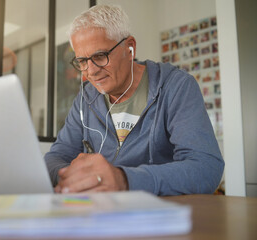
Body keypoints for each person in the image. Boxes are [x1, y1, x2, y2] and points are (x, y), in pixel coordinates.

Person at [44, 4, 224, 196]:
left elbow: (206, 167)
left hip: (162, 215)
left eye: (100, 56)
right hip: (102, 214)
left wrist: (124, 180)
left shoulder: (176, 86)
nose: (91, 71)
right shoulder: (85, 97)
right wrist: (71, 176)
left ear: (130, 48)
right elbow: (55, 158)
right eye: (82, 61)